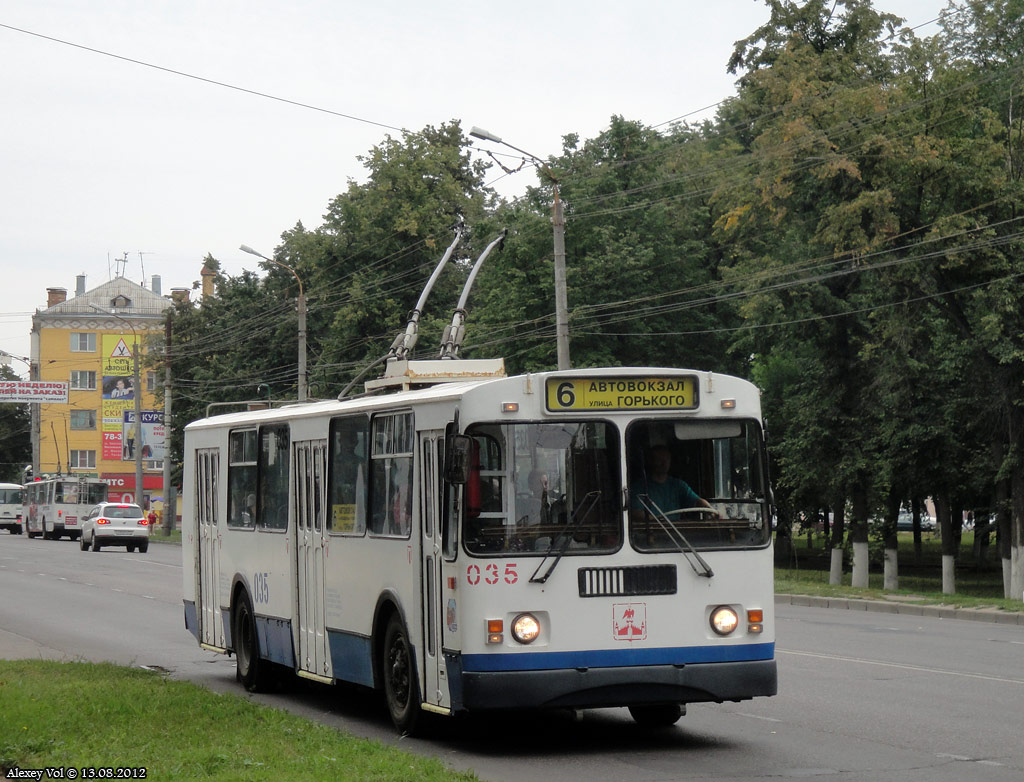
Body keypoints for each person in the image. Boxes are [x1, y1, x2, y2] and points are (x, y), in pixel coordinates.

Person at [630, 445, 716, 520]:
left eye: (667, 459)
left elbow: (697, 501)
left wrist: (710, 509)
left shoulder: (678, 485)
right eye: (659, 459)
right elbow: (636, 512)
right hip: (651, 531)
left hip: (675, 531)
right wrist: (659, 522)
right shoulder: (639, 487)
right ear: (650, 461)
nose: (664, 463)